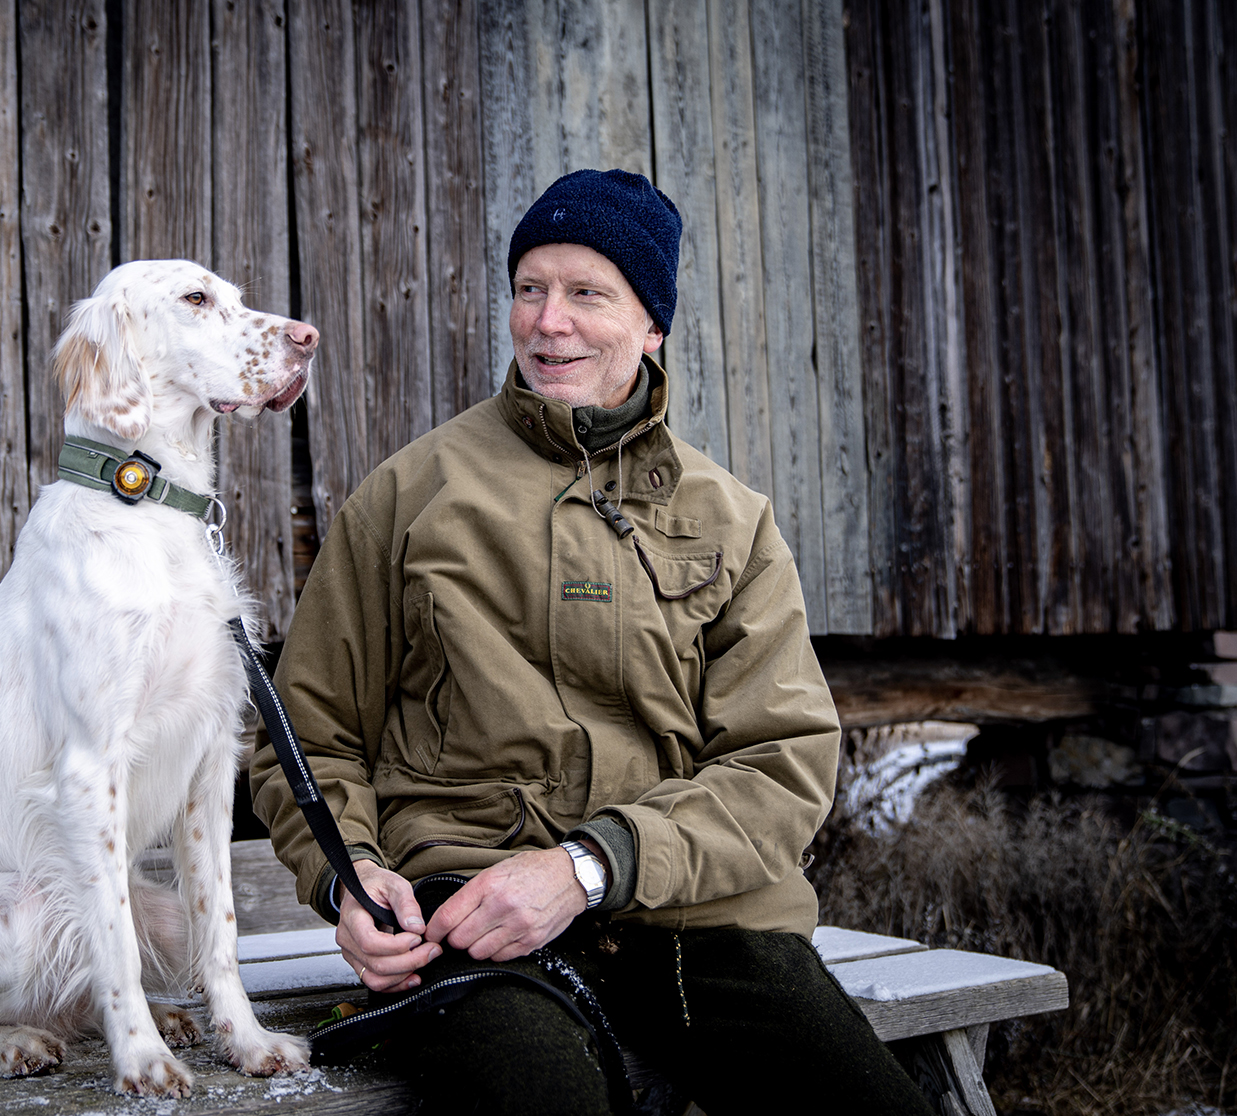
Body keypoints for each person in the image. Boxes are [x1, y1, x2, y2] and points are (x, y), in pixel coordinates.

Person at [250, 169, 932, 1115]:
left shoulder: (729, 520)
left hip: (694, 920)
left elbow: (781, 763)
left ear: (651, 325)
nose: (547, 321)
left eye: (585, 294)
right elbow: (307, 735)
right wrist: (349, 880)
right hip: (468, 917)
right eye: (529, 289)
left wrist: (587, 866)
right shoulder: (408, 497)